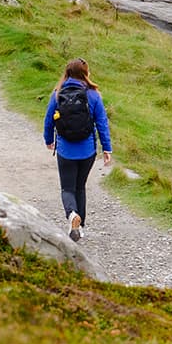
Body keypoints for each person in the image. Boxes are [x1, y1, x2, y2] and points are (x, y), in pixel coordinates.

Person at [42, 58, 112, 242]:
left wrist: (49, 140)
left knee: (67, 188)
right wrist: (107, 148)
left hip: (65, 150)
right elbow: (102, 123)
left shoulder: (58, 94)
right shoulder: (94, 95)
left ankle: (72, 215)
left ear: (67, 73)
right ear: (85, 74)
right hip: (87, 151)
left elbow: (49, 119)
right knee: (80, 187)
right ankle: (80, 228)